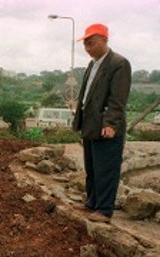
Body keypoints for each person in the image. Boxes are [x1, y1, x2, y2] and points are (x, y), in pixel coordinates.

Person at [72, 23, 131, 223]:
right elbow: (87, 95)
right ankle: (92, 202)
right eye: (85, 44)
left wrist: (111, 124)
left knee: (106, 168)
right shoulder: (93, 64)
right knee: (93, 167)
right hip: (90, 124)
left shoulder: (119, 63)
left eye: (91, 43)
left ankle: (104, 210)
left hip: (106, 126)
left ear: (104, 40)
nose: (88, 48)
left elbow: (118, 99)